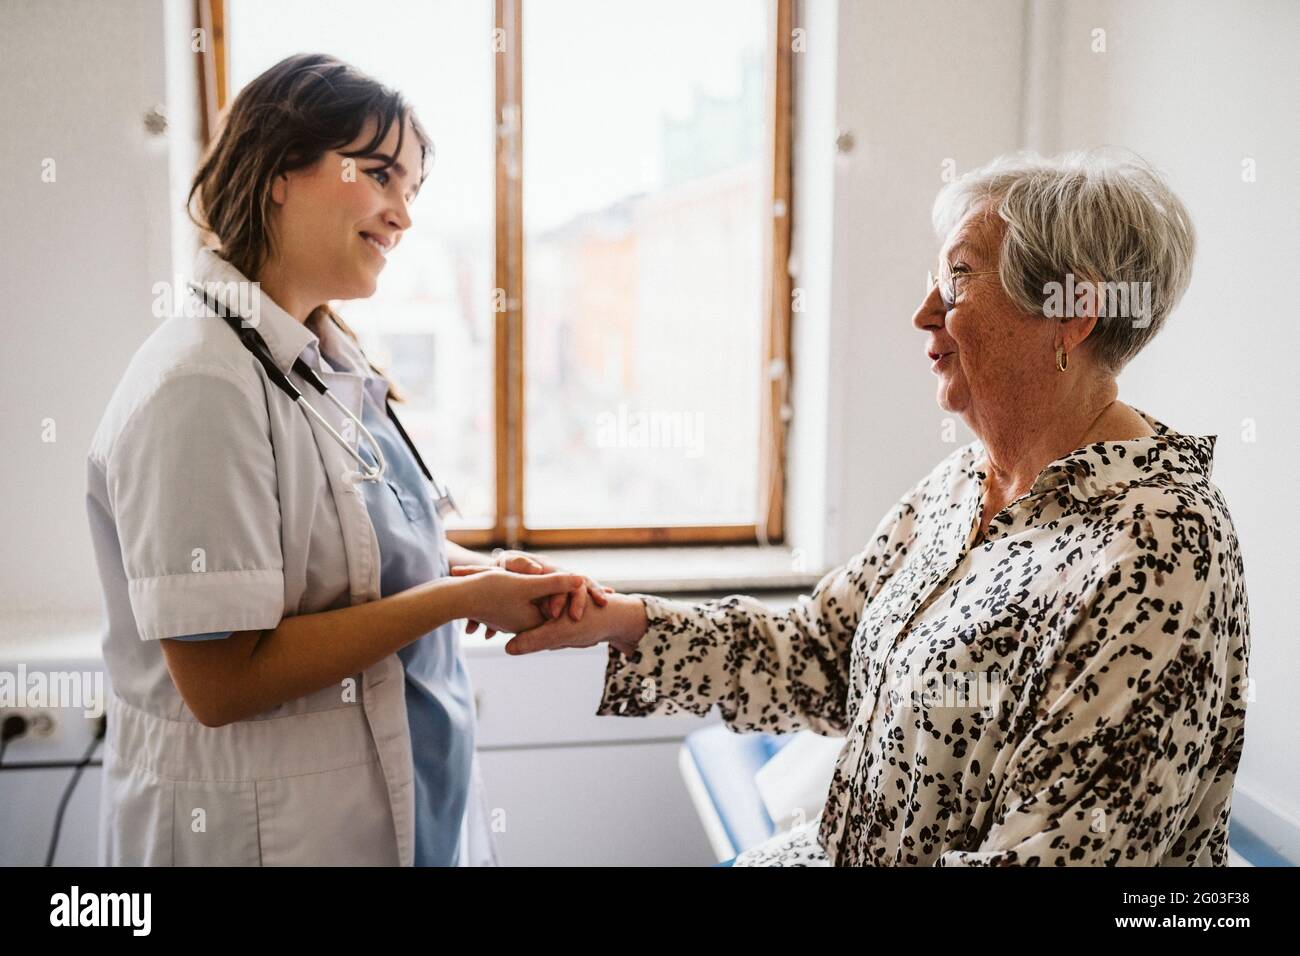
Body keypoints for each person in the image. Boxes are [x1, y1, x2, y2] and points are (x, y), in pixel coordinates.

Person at [481, 151, 1252, 866]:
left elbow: (1053, 853)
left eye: (957, 279)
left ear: (1074, 311)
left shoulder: (1161, 547)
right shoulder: (963, 487)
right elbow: (820, 652)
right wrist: (614, 618)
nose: (923, 313)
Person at [86, 53, 600, 866]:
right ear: (278, 171)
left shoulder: (320, 366)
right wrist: (446, 601)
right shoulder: (198, 385)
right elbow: (222, 683)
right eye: (380, 174)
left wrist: (481, 573)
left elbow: (351, 557)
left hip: (395, 807)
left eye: (413, 190)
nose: (402, 214)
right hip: (265, 832)